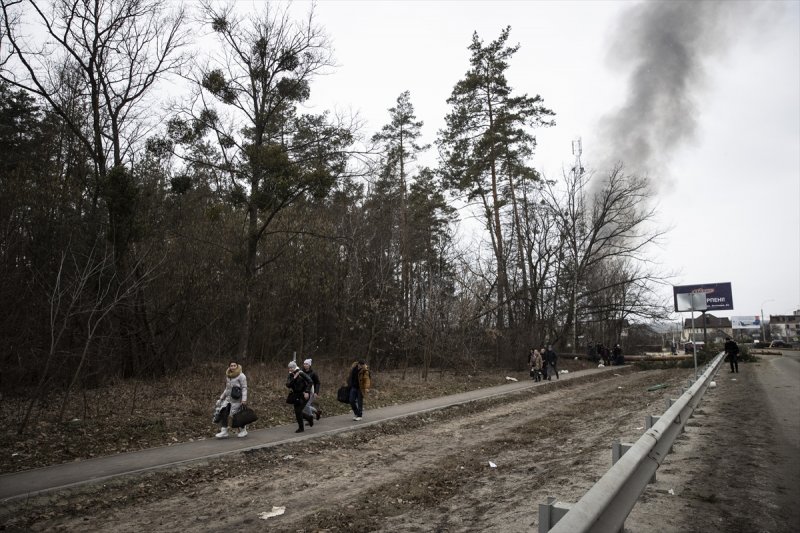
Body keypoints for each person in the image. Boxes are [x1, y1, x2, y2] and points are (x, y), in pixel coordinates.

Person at [215, 361, 248, 439]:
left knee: (237, 416)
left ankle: (243, 430)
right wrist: (221, 397)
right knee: (224, 413)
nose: (233, 367)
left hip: (237, 399)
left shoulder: (241, 376)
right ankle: (224, 431)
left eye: (234, 365)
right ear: (229, 367)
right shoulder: (228, 375)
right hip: (228, 399)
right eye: (231, 366)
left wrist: (244, 399)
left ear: (237, 366)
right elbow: (227, 388)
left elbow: (244, 388)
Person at [286, 361, 314, 432]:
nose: (290, 369)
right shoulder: (290, 375)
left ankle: (301, 428)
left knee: (298, 411)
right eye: (289, 368)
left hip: (304, 394)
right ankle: (309, 418)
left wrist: (307, 392)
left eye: (291, 368)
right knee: (297, 411)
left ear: (294, 367)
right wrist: (294, 378)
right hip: (296, 395)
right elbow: (288, 385)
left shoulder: (301, 373)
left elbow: (310, 382)